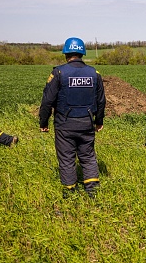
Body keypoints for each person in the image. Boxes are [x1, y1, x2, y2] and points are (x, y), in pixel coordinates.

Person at [39, 37, 106, 198]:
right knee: (88, 155)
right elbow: (101, 100)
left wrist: (43, 121)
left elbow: (47, 100)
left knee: (67, 157)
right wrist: (99, 121)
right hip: (87, 122)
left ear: (66, 53)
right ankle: (92, 190)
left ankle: (70, 193)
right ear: (82, 53)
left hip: (64, 124)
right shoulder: (94, 73)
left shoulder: (59, 72)